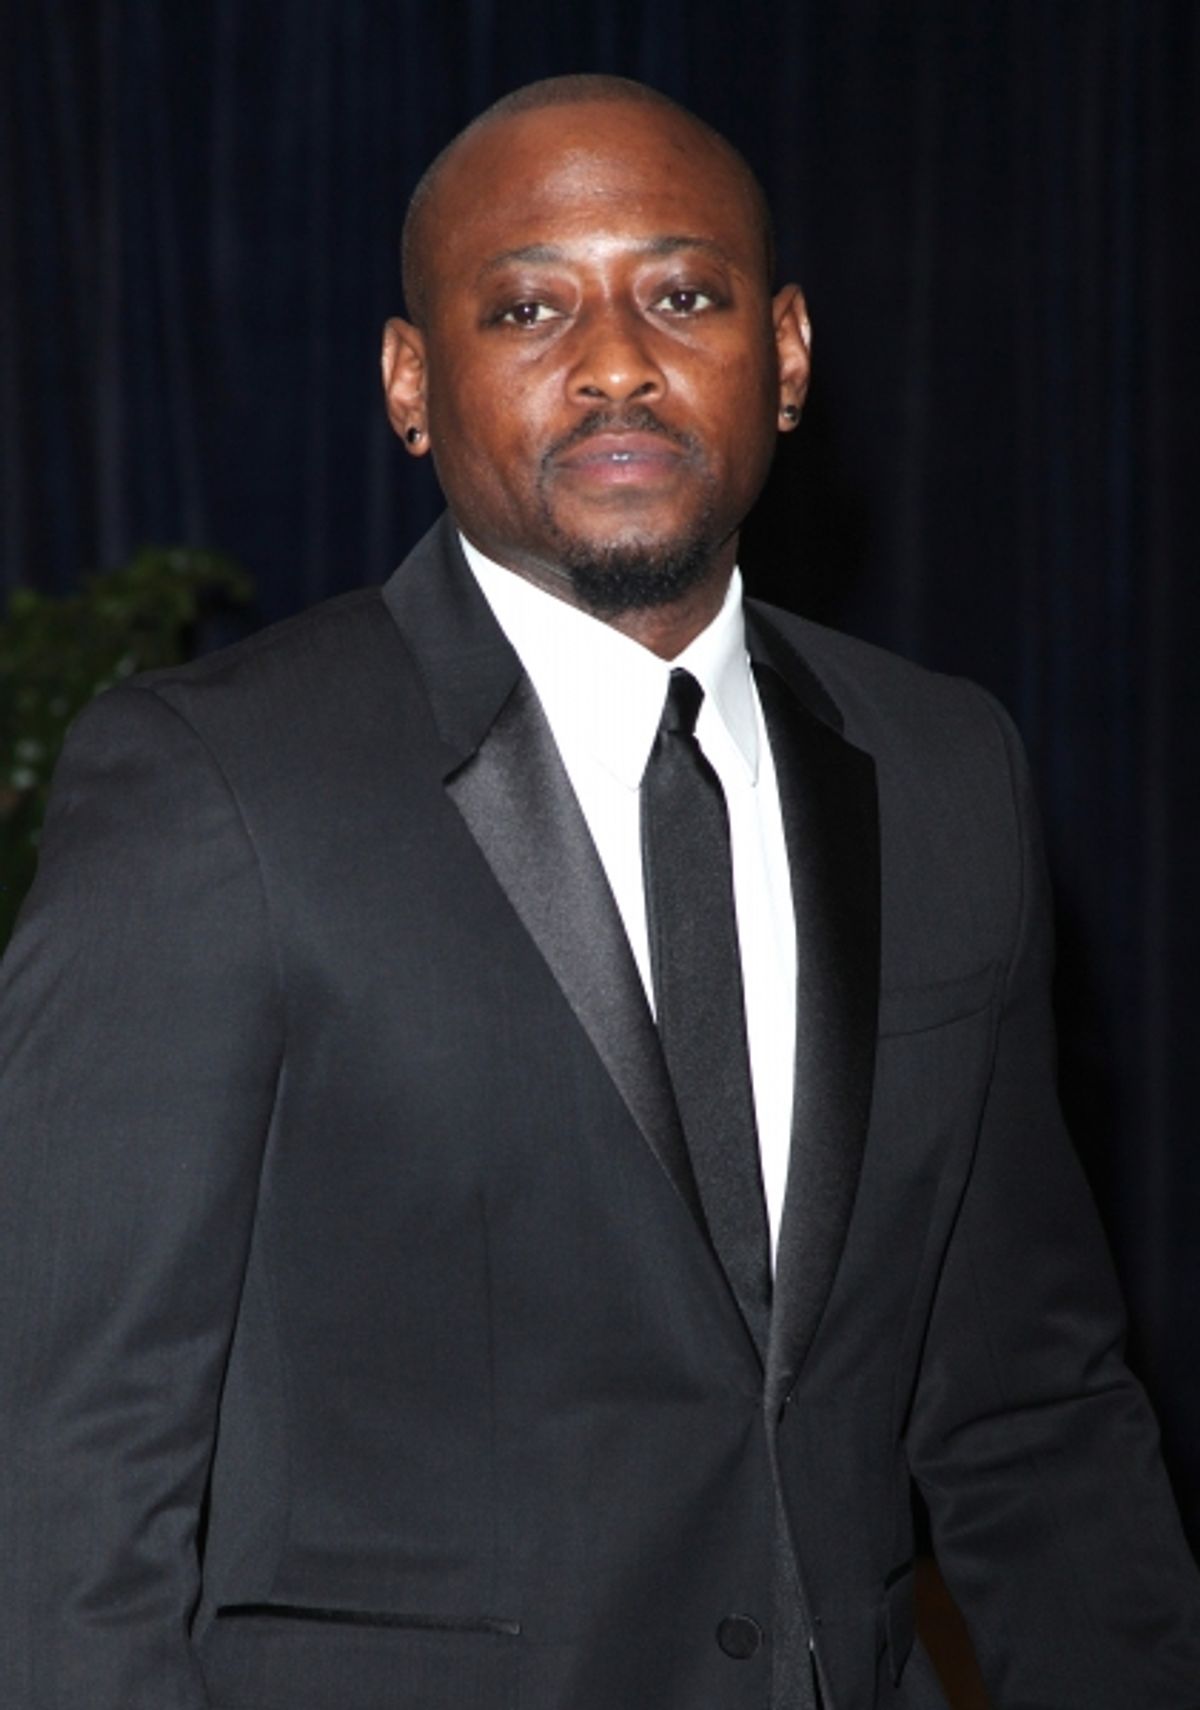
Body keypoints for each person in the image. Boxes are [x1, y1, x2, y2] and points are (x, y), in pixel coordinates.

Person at [0, 73, 1197, 1710]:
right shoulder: (210, 787)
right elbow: (62, 1480)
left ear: (784, 354)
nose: (619, 358)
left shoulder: (945, 771)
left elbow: (1029, 1410)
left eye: (682, 294)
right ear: (411, 383)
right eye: (532, 304)